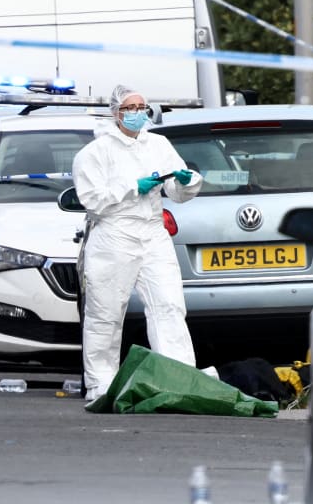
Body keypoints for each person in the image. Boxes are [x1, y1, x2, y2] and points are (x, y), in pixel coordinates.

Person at [71, 84, 204, 403]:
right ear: (116, 113)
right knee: (106, 311)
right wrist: (133, 188)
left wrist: (187, 182)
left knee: (168, 305)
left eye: (141, 107)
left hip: (153, 231)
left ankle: (178, 378)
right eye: (129, 108)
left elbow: (177, 189)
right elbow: (92, 201)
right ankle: (101, 384)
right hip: (114, 235)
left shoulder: (158, 144)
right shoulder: (95, 152)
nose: (136, 114)